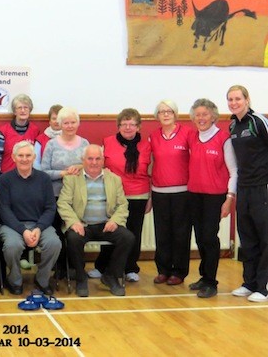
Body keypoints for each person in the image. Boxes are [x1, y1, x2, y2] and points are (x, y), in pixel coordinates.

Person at [58, 144, 135, 297]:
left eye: (98, 159)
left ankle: (111, 276)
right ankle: (80, 278)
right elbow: (63, 203)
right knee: (73, 238)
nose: (94, 162)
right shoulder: (72, 179)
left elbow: (123, 204)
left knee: (128, 238)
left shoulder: (114, 179)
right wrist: (74, 222)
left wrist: (115, 220)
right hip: (83, 224)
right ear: (83, 160)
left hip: (106, 224)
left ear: (103, 160)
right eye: (90, 159)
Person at [91, 108, 151, 283]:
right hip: (112, 195)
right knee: (110, 230)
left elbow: (151, 172)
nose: (128, 127)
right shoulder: (107, 142)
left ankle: (130, 268)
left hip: (138, 195)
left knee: (133, 232)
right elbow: (98, 166)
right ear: (118, 126)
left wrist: (150, 198)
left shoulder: (147, 146)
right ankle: (102, 267)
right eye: (124, 124)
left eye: (132, 124)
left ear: (138, 127)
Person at [0, 141, 61, 296]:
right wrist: (23, 231)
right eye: (20, 155)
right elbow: (4, 209)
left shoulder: (44, 179)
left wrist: (38, 228)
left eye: (28, 155)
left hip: (39, 225)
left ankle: (42, 279)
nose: (24, 159)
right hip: (12, 225)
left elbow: (50, 208)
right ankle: (15, 280)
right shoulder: (5, 179)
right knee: (12, 246)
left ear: (34, 157)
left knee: (54, 243)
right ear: (13, 157)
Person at [188, 99, 237, 298]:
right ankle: (204, 276)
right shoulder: (192, 137)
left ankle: (211, 282)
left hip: (215, 197)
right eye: (197, 115)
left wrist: (229, 198)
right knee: (200, 237)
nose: (201, 118)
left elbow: (234, 171)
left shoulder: (224, 139)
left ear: (213, 116)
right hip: (194, 194)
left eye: (205, 114)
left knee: (209, 237)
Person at [227, 85, 268, 302]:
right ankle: (249, 282)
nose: (234, 103)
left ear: (247, 99)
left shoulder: (258, 121)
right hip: (244, 188)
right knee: (247, 236)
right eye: (230, 100)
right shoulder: (232, 126)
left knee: (265, 237)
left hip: (263, 187)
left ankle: (264, 286)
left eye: (238, 99)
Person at [149, 100, 193, 286]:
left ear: (175, 114)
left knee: (181, 233)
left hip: (182, 192)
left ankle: (179, 271)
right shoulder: (153, 135)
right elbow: (150, 163)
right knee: (162, 233)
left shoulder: (188, 133)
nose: (165, 114)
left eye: (169, 111)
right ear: (157, 116)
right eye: (161, 111)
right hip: (159, 191)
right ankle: (163, 270)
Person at [41, 107, 90, 198]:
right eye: (66, 123)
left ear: (78, 123)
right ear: (60, 125)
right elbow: (44, 172)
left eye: (73, 122)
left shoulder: (85, 143)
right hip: (55, 194)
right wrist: (64, 173)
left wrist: (79, 167)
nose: (70, 126)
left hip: (81, 195)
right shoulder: (51, 144)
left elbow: (92, 168)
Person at [0, 94, 39, 187]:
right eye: (19, 108)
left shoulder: (36, 131)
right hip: (7, 179)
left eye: (26, 107)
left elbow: (37, 158)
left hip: (29, 179)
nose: (23, 110)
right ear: (14, 111)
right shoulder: (3, 131)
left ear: (30, 110)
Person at [34, 104, 63, 170]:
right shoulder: (40, 139)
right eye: (54, 119)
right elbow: (35, 162)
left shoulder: (69, 137)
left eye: (59, 119)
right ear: (49, 121)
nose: (56, 121)